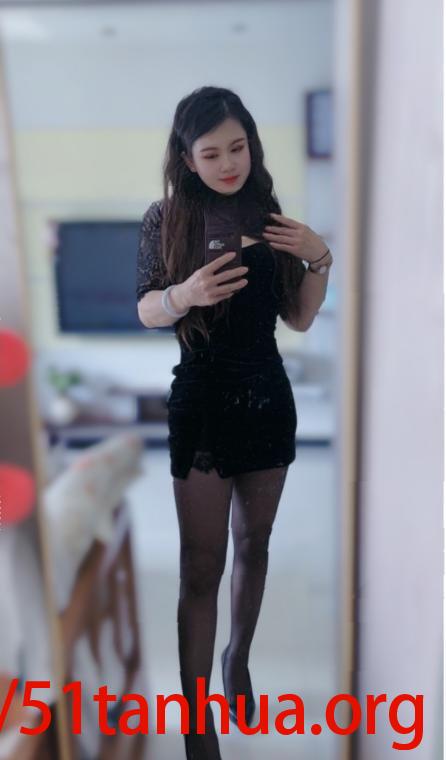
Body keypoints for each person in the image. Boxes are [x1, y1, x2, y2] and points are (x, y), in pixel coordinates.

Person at [136, 86, 333, 760]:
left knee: (256, 545)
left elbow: (299, 318)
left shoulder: (270, 220)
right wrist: (183, 294)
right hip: (200, 402)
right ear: (188, 158)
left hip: (266, 397)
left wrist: (319, 258)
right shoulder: (165, 219)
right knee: (200, 566)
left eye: (238, 147)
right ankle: (198, 723)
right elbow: (145, 308)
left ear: (252, 145)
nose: (227, 163)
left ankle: (237, 658)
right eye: (212, 152)